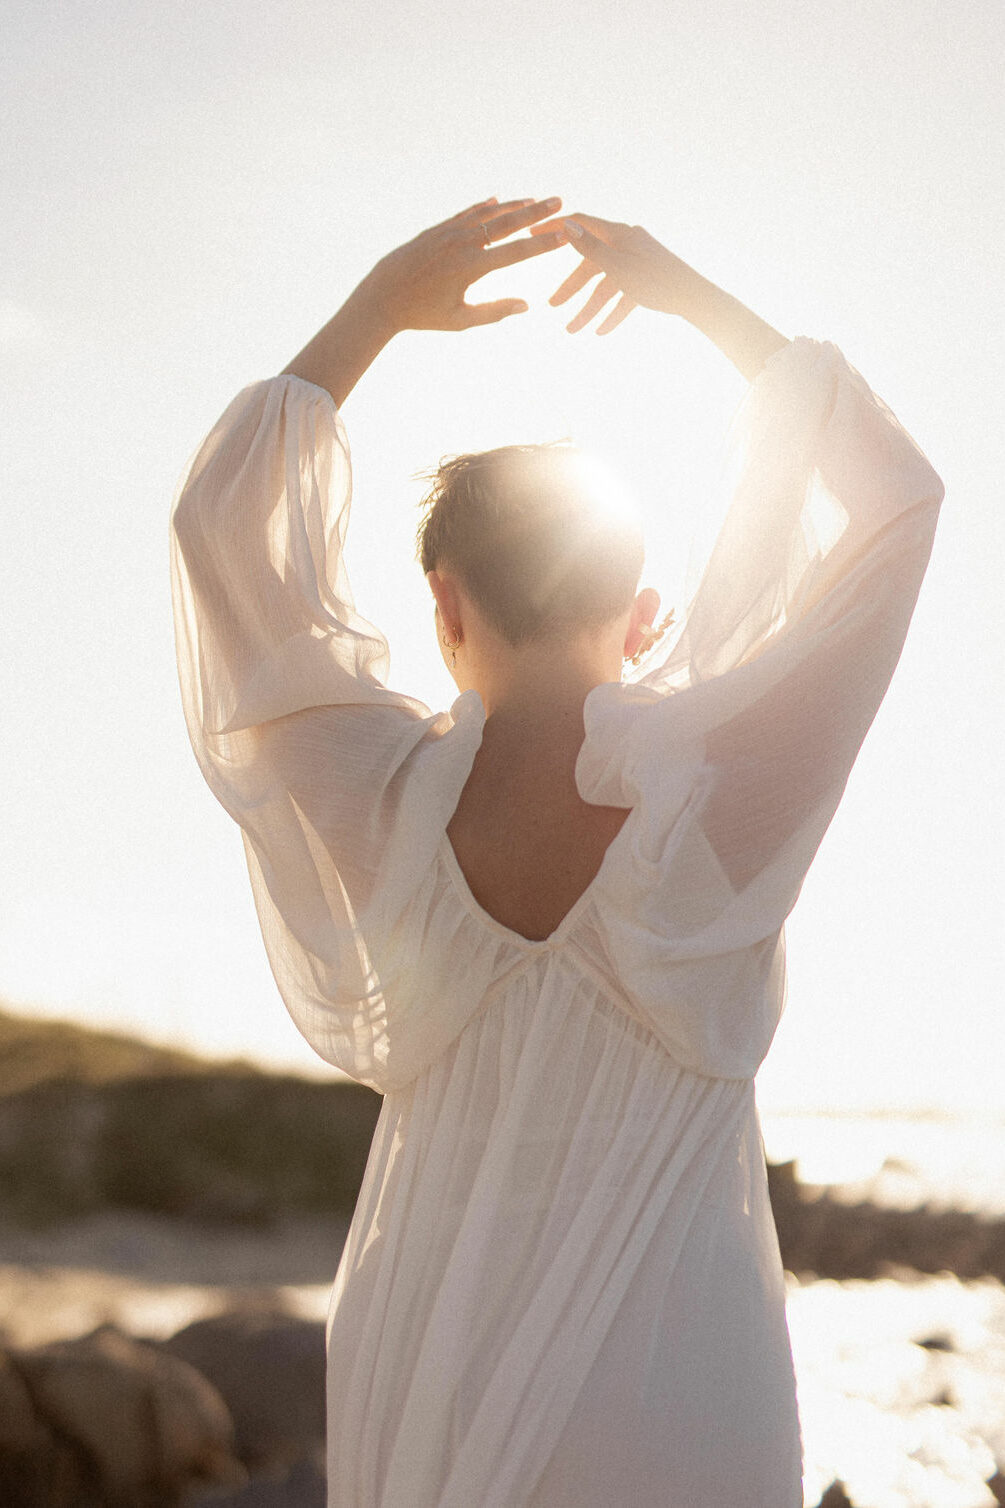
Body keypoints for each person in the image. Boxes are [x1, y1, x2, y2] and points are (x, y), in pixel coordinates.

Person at [170, 196, 944, 1507]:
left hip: (430, 1357)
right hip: (679, 1385)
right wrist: (690, 293)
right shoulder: (724, 785)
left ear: (444, 603)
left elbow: (221, 530)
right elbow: (892, 499)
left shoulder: (380, 795)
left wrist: (376, 304)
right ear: (643, 617)